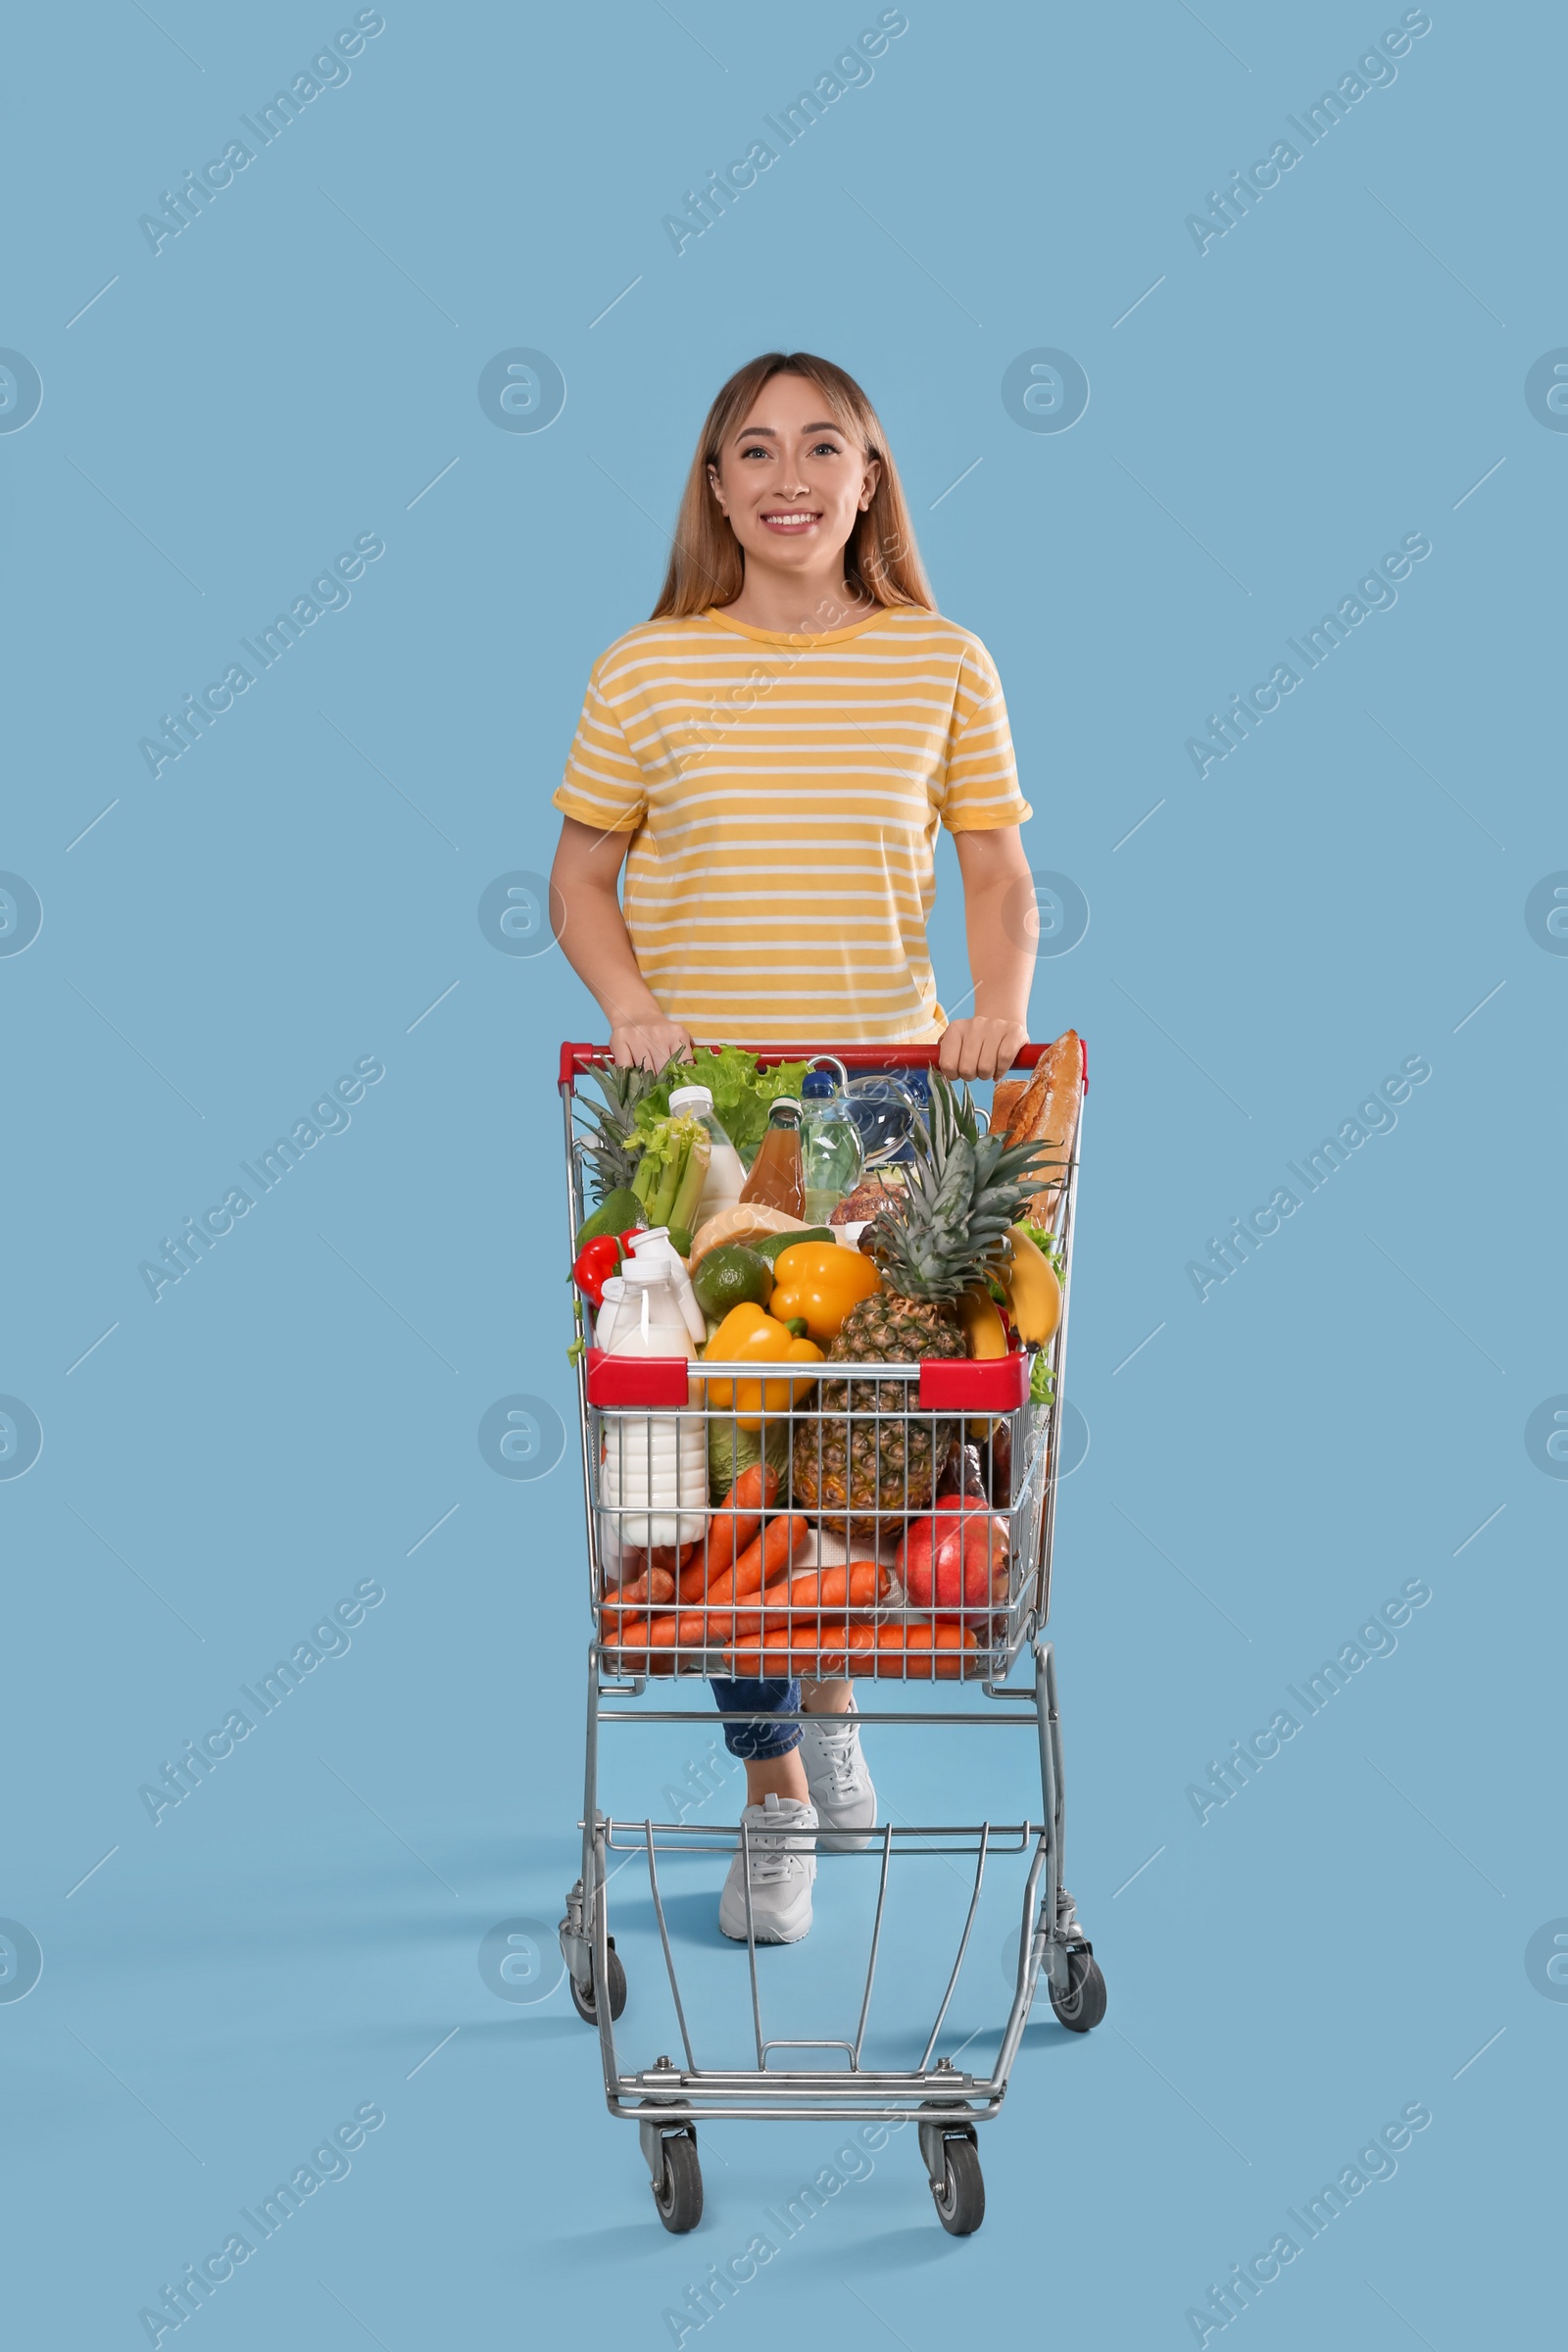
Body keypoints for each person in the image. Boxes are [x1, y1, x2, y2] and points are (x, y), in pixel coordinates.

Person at [551, 351, 1036, 1943]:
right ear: (713, 489)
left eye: (823, 447)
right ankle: (770, 1790)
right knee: (709, 1471)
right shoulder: (646, 671)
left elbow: (996, 877)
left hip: (883, 1109)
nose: (788, 476)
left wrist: (997, 1007)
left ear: (872, 477)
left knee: (852, 1447)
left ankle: (829, 1705)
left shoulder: (943, 662)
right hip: (701, 1122)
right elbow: (579, 877)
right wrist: (629, 1004)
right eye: (751, 451)